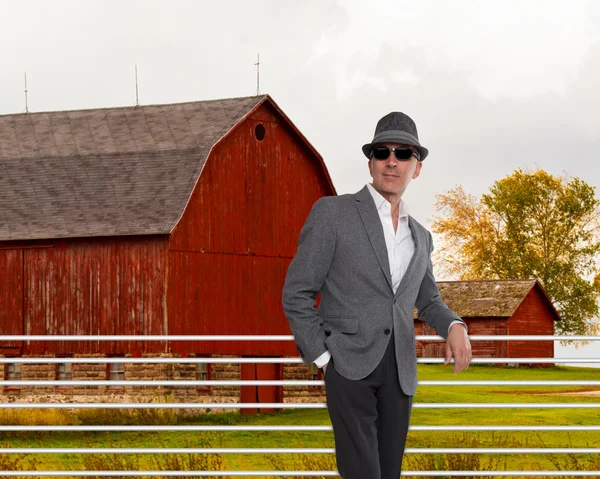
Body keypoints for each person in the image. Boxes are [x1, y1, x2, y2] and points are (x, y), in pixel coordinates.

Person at [282, 111, 473, 479]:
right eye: (383, 151)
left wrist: (454, 325)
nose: (392, 160)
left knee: (388, 473)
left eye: (404, 154)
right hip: (347, 365)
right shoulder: (333, 214)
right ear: (370, 162)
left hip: (400, 370)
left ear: (416, 168)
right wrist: (324, 359)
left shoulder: (421, 236)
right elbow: (297, 292)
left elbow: (428, 300)